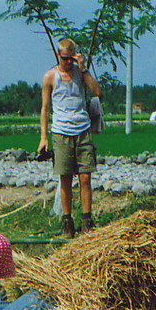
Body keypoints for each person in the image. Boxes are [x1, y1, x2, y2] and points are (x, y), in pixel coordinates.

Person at [38, 37, 102, 238]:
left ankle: (87, 221)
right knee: (65, 178)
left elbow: (97, 92)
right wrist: (43, 137)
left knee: (85, 177)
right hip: (61, 131)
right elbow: (45, 108)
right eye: (65, 59)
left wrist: (83, 69)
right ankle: (67, 223)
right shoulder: (50, 77)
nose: (68, 63)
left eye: (71, 59)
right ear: (59, 56)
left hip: (82, 129)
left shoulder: (80, 74)